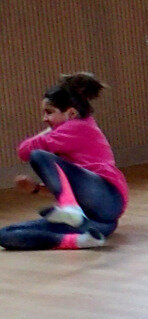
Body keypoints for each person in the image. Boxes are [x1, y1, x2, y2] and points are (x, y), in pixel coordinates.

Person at [5, 73, 126, 252]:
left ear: (71, 113)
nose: (44, 118)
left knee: (39, 155)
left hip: (107, 195)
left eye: (49, 112)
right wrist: (36, 189)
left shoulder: (76, 127)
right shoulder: (72, 129)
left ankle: (71, 212)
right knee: (6, 234)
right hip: (100, 216)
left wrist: (47, 131)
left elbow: (25, 151)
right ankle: (81, 240)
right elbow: (72, 186)